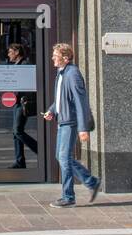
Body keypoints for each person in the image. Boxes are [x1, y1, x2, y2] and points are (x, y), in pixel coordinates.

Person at [42, 42, 100, 208]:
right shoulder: (61, 73)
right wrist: (51, 110)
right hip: (62, 120)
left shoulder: (73, 73)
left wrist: (83, 128)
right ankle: (92, 182)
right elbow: (61, 99)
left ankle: (68, 197)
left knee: (64, 158)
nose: (53, 57)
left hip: (71, 122)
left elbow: (81, 102)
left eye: (56, 55)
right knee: (61, 157)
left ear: (65, 58)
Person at [6, 42, 38, 170]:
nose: (8, 54)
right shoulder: (17, 65)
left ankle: (39, 149)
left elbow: (27, 84)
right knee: (15, 133)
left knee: (17, 131)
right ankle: (20, 161)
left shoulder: (25, 65)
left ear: (17, 52)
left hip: (22, 102)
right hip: (17, 102)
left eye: (10, 52)